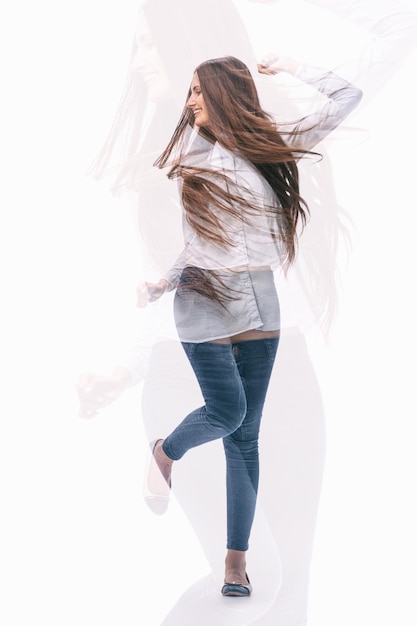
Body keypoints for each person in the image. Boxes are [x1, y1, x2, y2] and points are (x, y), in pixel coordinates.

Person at [139, 54, 362, 597]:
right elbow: (198, 243)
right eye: (187, 91)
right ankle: (166, 451)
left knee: (245, 437)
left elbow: (347, 96)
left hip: (260, 298)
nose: (189, 101)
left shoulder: (272, 148)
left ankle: (235, 563)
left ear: (223, 93)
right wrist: (165, 281)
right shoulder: (192, 159)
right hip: (202, 295)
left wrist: (289, 68)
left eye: (198, 91)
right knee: (227, 410)